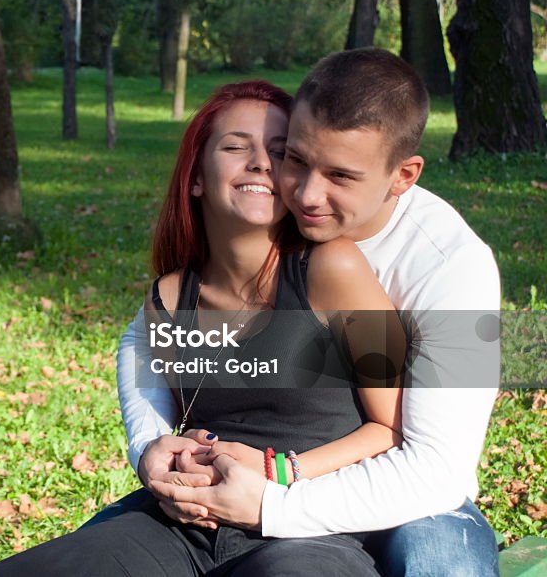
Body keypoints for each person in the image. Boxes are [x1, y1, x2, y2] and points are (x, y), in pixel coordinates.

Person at [0, 79, 411, 576]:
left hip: (310, 530)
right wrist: (158, 455)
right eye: (235, 146)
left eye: (280, 151)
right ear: (197, 177)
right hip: (184, 526)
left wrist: (276, 474)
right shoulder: (167, 299)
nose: (261, 163)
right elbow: (159, 412)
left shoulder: (336, 269)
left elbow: (392, 428)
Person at [118, 48, 501, 576]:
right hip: (256, 479)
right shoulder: (281, 214)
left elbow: (436, 467)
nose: (305, 194)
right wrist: (149, 445)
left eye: (341, 176)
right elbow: (143, 334)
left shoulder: (455, 269)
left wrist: (271, 500)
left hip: (408, 498)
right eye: (295, 158)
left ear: (403, 175)